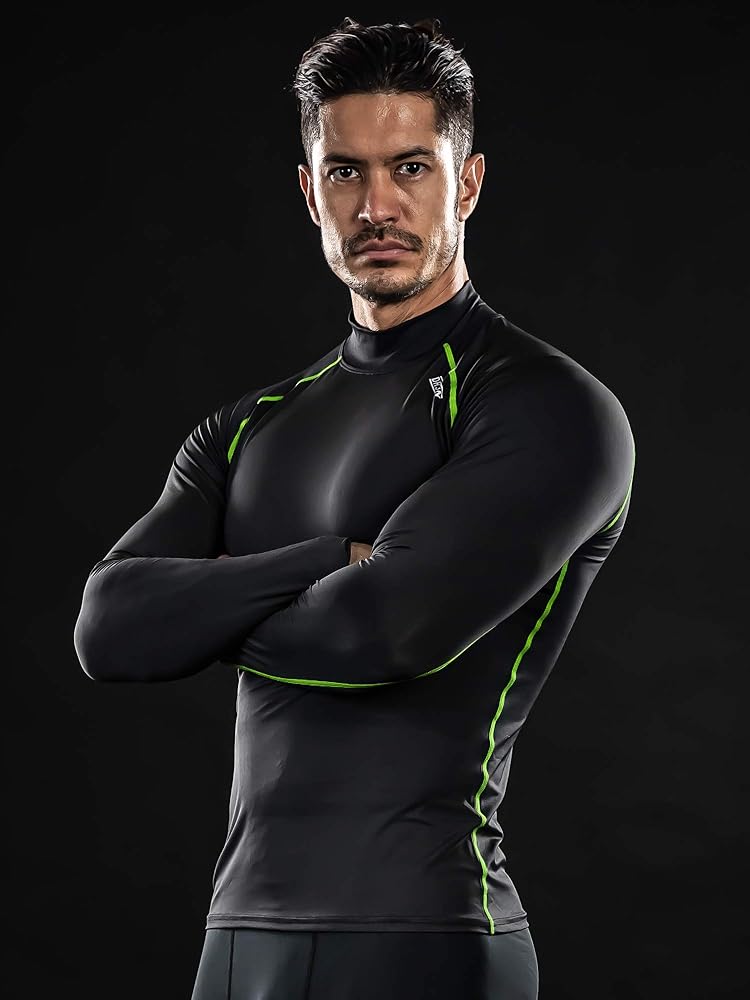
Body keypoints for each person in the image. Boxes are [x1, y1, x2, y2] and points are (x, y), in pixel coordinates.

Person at [73, 15, 636, 1000]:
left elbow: (382, 631)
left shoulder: (545, 406)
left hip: (428, 935)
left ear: (467, 183)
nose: (377, 206)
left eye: (411, 167)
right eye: (346, 172)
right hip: (236, 939)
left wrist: (201, 610)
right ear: (309, 191)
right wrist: (326, 557)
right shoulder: (251, 425)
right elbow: (109, 628)